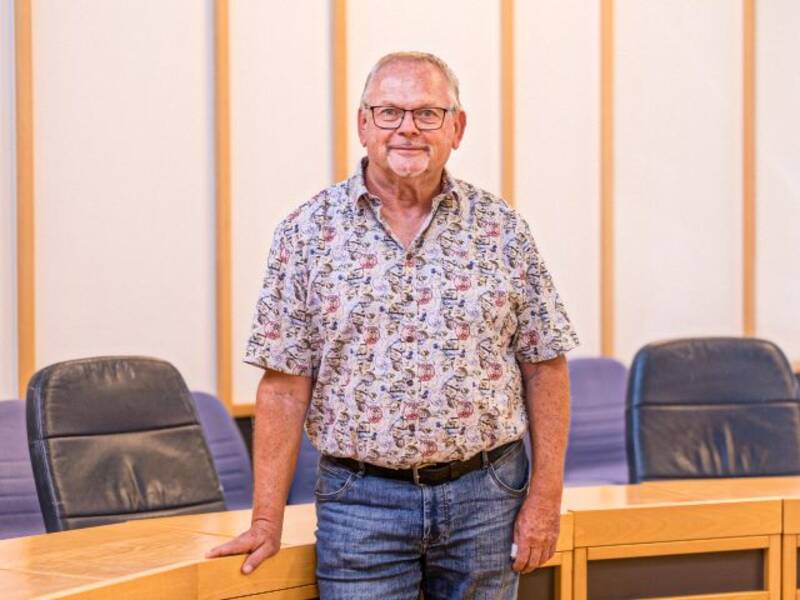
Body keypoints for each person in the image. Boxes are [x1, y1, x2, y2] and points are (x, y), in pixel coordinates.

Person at [207, 51, 579, 599]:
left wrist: (545, 499)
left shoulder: (503, 230)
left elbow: (545, 365)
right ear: (363, 125)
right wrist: (266, 521)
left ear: (457, 127)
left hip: (488, 496)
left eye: (428, 113)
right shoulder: (306, 234)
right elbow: (285, 385)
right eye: (388, 112)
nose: (407, 127)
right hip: (361, 505)